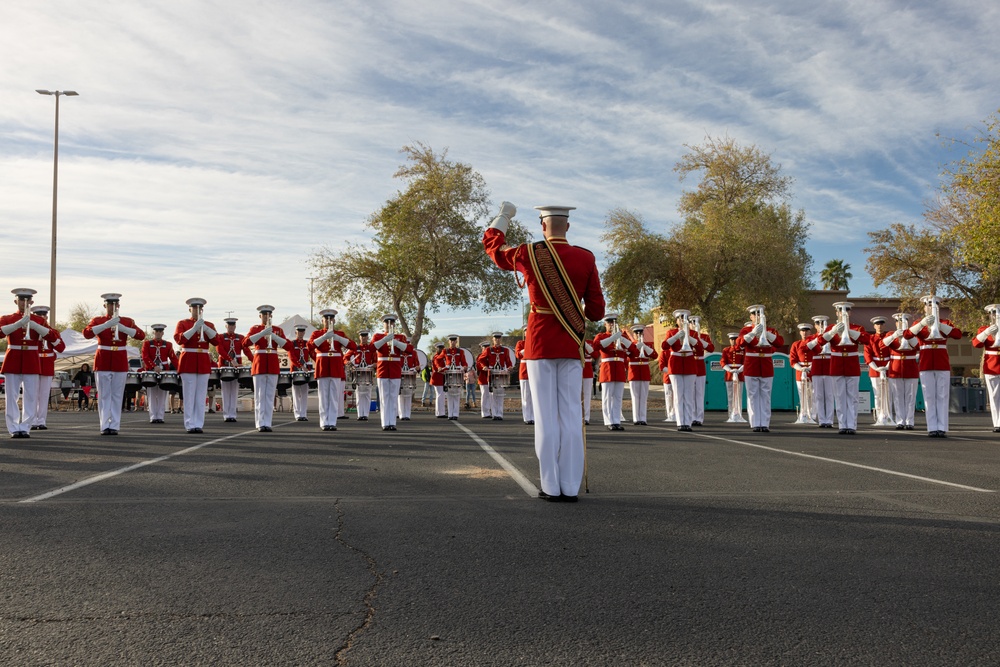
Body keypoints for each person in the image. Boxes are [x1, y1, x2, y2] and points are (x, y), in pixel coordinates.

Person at [483, 202, 605, 502]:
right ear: (568, 226)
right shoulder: (586, 257)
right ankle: (571, 487)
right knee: (571, 416)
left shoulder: (528, 253)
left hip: (538, 344)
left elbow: (494, 251)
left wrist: (504, 217)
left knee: (546, 417)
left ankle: (551, 486)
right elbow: (597, 312)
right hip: (571, 344)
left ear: (542, 225)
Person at [1, 288, 61, 438]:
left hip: (31, 359)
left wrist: (35, 326)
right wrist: (17, 324)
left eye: (27, 300)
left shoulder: (39, 320)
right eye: (21, 300)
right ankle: (14, 428)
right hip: (13, 358)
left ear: (32, 302)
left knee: (31, 396)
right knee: (11, 396)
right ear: (16, 301)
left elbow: (54, 337)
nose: (24, 303)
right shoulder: (7, 318)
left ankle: (26, 427)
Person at [84, 293, 145, 435]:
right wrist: (106, 325)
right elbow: (86, 333)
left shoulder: (127, 321)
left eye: (115, 304)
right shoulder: (98, 320)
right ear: (105, 306)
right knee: (104, 395)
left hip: (119, 360)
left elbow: (141, 335)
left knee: (117, 395)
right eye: (109, 304)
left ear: (118, 305)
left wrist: (123, 328)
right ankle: (105, 425)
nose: (112, 307)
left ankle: (115, 425)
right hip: (103, 360)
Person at [911, 295, 962, 437]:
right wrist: (922, 324)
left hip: (942, 363)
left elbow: (958, 334)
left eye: (934, 305)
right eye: (928, 305)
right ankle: (932, 427)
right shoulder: (919, 322)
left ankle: (942, 427)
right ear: (924, 308)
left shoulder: (946, 322)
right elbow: (908, 335)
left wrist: (940, 325)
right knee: (929, 396)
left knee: (942, 395)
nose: (931, 307)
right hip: (926, 363)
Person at [174, 297, 227, 433]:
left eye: (199, 308)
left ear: (202, 310)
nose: (197, 311)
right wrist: (194, 328)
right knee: (189, 394)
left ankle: (198, 423)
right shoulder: (183, 323)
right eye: (194, 308)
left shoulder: (209, 324)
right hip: (188, 361)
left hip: (203, 360)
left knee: (201, 394)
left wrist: (205, 328)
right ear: (190, 309)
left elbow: (216, 341)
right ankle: (189, 424)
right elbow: (180, 339)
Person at [817, 302, 869, 435]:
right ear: (836, 312)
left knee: (852, 397)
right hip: (837, 364)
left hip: (851, 364)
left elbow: (867, 339)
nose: (843, 312)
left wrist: (848, 331)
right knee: (840, 397)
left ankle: (851, 425)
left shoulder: (857, 328)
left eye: (846, 310)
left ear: (850, 312)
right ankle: (842, 424)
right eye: (840, 310)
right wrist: (834, 331)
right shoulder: (830, 328)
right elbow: (820, 341)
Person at [242, 305, 292, 433]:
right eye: (264, 315)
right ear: (260, 316)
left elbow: (288, 346)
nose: (266, 317)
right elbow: (245, 343)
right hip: (259, 363)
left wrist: (274, 337)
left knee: (269, 395)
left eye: (268, 315)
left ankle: (267, 423)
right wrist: (262, 333)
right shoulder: (255, 328)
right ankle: (260, 423)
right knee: (259, 395)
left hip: (273, 363)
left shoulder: (278, 330)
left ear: (271, 316)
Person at [736, 305, 784, 432]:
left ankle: (765, 423)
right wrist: (753, 333)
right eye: (754, 315)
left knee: (765, 395)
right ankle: (755, 422)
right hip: (751, 365)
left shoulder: (771, 330)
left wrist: (765, 333)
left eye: (759, 315)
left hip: (766, 366)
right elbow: (740, 343)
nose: (757, 317)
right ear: (751, 317)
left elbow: (779, 343)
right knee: (753, 395)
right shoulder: (746, 330)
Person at [309, 309, 356, 432]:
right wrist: (324, 337)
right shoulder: (317, 333)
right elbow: (310, 346)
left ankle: (332, 421)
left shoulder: (339, 334)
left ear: (334, 320)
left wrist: (337, 338)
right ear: (322, 320)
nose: (328, 321)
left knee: (334, 396)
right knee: (324, 396)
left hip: (335, 367)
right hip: (323, 367)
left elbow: (353, 346)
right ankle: (324, 422)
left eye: (331, 319)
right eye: (326, 319)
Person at [371, 314, 414, 431]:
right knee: (384, 397)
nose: (389, 325)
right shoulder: (378, 336)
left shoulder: (401, 337)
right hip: (383, 369)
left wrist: (396, 342)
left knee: (394, 397)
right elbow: (371, 348)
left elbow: (410, 350)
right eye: (387, 323)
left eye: (392, 323)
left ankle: (392, 423)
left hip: (395, 369)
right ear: (383, 324)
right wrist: (385, 339)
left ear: (394, 324)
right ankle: (385, 423)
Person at [594, 314, 636, 431]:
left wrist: (621, 338)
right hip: (607, 370)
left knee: (618, 397)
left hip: (619, 370)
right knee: (607, 397)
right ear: (605, 324)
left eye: (613, 323)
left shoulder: (622, 337)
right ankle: (609, 421)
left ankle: (616, 420)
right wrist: (612, 338)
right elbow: (596, 345)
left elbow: (633, 350)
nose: (611, 325)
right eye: (609, 323)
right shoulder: (601, 336)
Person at [663, 309, 701, 432]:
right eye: (681, 318)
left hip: (689, 364)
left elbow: (700, 349)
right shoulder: (671, 332)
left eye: (685, 319)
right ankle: (680, 422)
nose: (683, 321)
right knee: (678, 395)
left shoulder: (693, 333)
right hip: (676, 364)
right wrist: (677, 336)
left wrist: (689, 337)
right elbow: (664, 346)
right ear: (677, 321)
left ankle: (688, 422)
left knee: (689, 396)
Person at [30, 305, 65, 431]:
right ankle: (32, 420)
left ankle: (41, 420)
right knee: (32, 394)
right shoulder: (31, 331)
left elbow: (61, 348)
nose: (42, 317)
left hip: (47, 364)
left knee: (44, 395)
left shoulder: (53, 332)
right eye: (39, 315)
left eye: (44, 315)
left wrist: (50, 336)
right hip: (33, 363)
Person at [883, 312, 919, 430]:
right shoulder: (890, 334)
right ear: (895, 323)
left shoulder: (913, 335)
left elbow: (918, 346)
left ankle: (909, 421)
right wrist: (894, 336)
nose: (901, 323)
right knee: (898, 397)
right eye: (899, 321)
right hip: (896, 368)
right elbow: (882, 345)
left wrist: (909, 336)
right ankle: (900, 421)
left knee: (910, 397)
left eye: (903, 321)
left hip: (910, 367)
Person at [141, 324, 178, 424]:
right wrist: (153, 366)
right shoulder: (147, 343)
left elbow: (173, 358)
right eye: (156, 331)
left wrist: (179, 368)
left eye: (160, 331)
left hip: (164, 371)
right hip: (151, 370)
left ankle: (160, 416)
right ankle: (153, 416)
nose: (158, 333)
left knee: (162, 394)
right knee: (152, 394)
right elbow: (145, 356)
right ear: (153, 332)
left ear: (163, 333)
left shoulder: (168, 344)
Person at [973, 304, 1000, 433]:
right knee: (994, 396)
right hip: (992, 365)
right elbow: (976, 343)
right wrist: (987, 332)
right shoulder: (984, 329)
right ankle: (998, 423)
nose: (995, 316)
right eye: (993, 313)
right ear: (990, 315)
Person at [216, 318, 246, 423]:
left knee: (234, 391)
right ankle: (226, 414)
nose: (231, 327)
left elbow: (246, 350)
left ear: (235, 326)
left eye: (233, 326)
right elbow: (219, 350)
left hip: (236, 367)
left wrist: (253, 360)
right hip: (225, 366)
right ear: (226, 326)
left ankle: (232, 414)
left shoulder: (241, 337)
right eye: (229, 326)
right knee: (225, 391)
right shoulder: (220, 337)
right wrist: (230, 360)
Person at [864, 316, 892, 425]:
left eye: (881, 324)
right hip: (875, 369)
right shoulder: (870, 339)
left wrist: (887, 367)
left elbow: (892, 353)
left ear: (884, 325)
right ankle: (880, 416)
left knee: (888, 394)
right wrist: (876, 368)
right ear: (874, 326)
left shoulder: (888, 337)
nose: (879, 326)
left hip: (888, 368)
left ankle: (888, 415)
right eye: (877, 324)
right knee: (877, 394)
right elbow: (867, 355)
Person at [480, 332, 514, 421]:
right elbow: (481, 359)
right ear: (493, 339)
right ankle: (495, 414)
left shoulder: (505, 350)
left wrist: (510, 366)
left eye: (499, 339)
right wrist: (484, 366)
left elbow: (508, 361)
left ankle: (500, 414)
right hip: (492, 373)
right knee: (493, 394)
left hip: (501, 372)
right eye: (495, 339)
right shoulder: (489, 350)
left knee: (500, 394)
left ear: (500, 339)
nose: (497, 340)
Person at [626, 323, 655, 426]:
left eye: (641, 333)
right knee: (635, 397)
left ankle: (643, 418)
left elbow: (655, 355)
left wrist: (645, 347)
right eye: (636, 333)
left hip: (644, 373)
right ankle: (636, 418)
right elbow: (627, 355)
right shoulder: (631, 346)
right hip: (634, 373)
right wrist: (636, 347)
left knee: (643, 397)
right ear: (633, 335)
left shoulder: (647, 345)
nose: (639, 335)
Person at [689, 316, 714, 426]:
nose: (694, 325)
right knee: (690, 394)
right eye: (692, 323)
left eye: (696, 322)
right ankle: (690, 416)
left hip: (699, 365)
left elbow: (711, 349)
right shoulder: (686, 335)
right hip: (690, 365)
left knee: (699, 393)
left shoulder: (704, 336)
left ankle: (699, 418)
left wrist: (700, 340)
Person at [789, 323, 816, 424]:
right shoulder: (796, 344)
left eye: (806, 331)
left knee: (812, 395)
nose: (804, 333)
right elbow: (792, 360)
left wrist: (810, 367)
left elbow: (817, 356)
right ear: (800, 332)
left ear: (810, 332)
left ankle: (812, 415)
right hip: (800, 373)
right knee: (802, 394)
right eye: (802, 331)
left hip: (812, 371)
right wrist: (801, 368)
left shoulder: (814, 343)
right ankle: (803, 414)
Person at [438, 335, 469, 420]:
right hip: (449, 373)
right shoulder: (445, 351)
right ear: (449, 342)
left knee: (457, 394)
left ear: (456, 342)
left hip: (457, 373)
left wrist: (465, 367)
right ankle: (450, 414)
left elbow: (464, 362)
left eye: (454, 341)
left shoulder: (460, 351)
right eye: (451, 341)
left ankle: (455, 414)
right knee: (449, 394)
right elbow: (437, 359)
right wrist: (440, 367)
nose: (452, 342)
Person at [350, 330, 377, 421]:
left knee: (367, 394)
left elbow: (376, 361)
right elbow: (345, 358)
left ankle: (365, 414)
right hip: (358, 373)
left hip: (368, 373)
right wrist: (351, 364)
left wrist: (374, 365)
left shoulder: (371, 348)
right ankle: (360, 414)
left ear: (367, 337)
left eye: (365, 337)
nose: (364, 338)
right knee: (359, 393)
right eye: (362, 337)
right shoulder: (355, 348)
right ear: (359, 337)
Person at [288, 324, 312, 422]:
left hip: (306, 369)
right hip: (295, 369)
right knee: (296, 393)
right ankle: (298, 414)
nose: (301, 333)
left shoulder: (307, 343)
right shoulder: (292, 343)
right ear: (295, 332)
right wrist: (300, 366)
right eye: (299, 331)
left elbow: (312, 354)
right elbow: (292, 357)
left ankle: (304, 413)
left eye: (302, 332)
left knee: (304, 393)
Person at [720, 332, 745, 423]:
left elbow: (745, 362)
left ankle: (739, 414)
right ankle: (731, 415)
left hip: (739, 374)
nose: (733, 341)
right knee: (730, 396)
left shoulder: (742, 350)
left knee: (738, 396)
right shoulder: (726, 350)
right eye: (732, 339)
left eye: (735, 339)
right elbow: (723, 362)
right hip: (729, 375)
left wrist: (739, 370)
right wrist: (729, 370)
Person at [399, 346, 421, 420]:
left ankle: (407, 415)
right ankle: (402, 414)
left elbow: (417, 364)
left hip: (409, 377)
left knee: (408, 396)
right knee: (400, 396)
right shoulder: (398, 352)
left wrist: (417, 368)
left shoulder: (414, 352)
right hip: (400, 376)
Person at [515, 337, 533, 424]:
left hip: (534, 372)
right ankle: (527, 417)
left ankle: (533, 416)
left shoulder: (534, 341)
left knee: (534, 396)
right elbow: (518, 354)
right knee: (526, 396)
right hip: (525, 372)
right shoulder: (521, 343)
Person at [657, 333, 675, 423]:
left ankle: (675, 413)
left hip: (676, 377)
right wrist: (672, 372)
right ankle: (669, 414)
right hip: (668, 378)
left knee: (676, 397)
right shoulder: (664, 352)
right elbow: (661, 366)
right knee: (669, 397)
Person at [430, 342, 447, 418]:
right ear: (436, 348)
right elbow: (437, 368)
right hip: (437, 377)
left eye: (442, 348)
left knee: (441, 395)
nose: (441, 349)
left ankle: (440, 412)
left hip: (442, 378)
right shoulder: (436, 357)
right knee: (440, 395)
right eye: (439, 348)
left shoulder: (444, 357)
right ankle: (440, 413)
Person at [476, 341, 492, 419]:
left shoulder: (491, 356)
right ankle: (485, 412)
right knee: (485, 395)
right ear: (482, 348)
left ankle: (491, 410)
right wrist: (484, 367)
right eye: (484, 347)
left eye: (487, 347)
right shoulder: (480, 356)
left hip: (491, 378)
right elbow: (479, 366)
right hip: (483, 378)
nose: (486, 349)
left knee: (491, 395)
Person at [582, 338, 595, 425]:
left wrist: (586, 344)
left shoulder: (590, 342)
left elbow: (595, 354)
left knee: (587, 396)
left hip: (587, 371)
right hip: (576, 369)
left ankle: (586, 417)